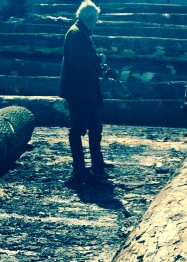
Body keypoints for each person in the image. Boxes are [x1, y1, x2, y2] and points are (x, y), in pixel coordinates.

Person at [58, 0, 113, 183]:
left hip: (88, 90)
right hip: (78, 91)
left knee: (95, 127)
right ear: (89, 18)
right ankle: (79, 168)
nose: (97, 22)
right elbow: (79, 61)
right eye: (96, 18)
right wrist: (98, 60)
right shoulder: (75, 33)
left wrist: (100, 67)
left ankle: (97, 164)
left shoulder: (84, 33)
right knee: (77, 129)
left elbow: (86, 60)